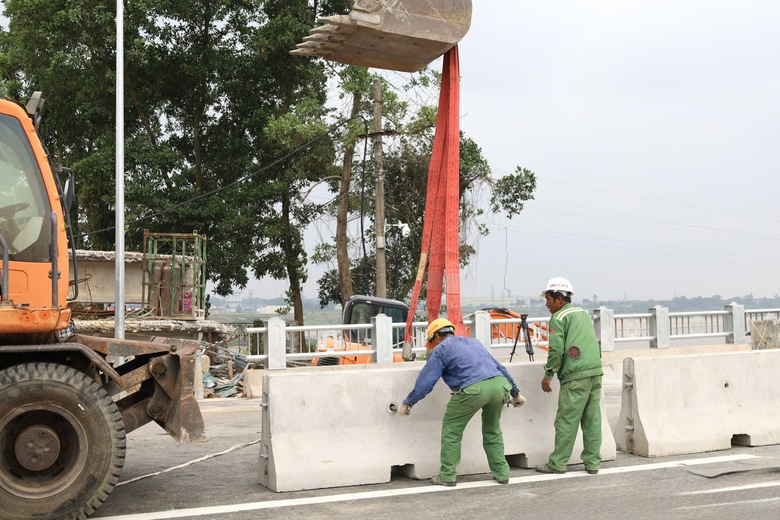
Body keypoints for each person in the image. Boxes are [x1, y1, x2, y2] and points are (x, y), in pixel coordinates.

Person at [398, 318, 525, 486]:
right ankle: (502, 473)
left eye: (431, 342)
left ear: (436, 336)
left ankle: (447, 475)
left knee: (452, 430)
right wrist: (515, 393)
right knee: (492, 429)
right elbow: (500, 367)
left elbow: (427, 382)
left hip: (473, 390)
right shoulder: (474, 343)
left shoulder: (441, 349)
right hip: (500, 385)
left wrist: (409, 402)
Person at [536, 277, 603, 475]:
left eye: (548, 299)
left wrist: (548, 374)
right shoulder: (583, 314)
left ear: (558, 299)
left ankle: (557, 463)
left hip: (576, 375)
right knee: (592, 420)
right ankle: (592, 463)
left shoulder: (559, 318)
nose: (546, 304)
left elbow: (556, 350)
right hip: (595, 372)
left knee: (566, 420)